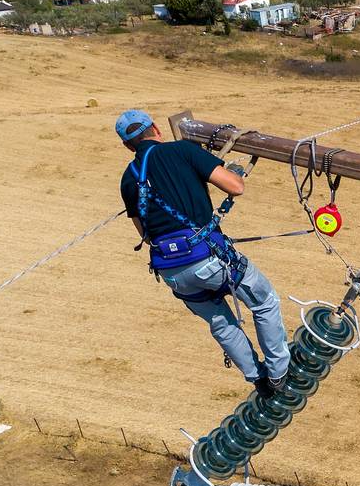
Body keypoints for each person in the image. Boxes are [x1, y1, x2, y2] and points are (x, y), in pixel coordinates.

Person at [116, 110, 292, 399]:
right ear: (156, 129)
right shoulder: (183, 150)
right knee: (264, 301)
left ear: (128, 146)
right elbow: (236, 187)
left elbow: (145, 236)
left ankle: (258, 380)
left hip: (173, 272)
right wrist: (232, 172)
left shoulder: (128, 178)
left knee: (221, 322)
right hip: (209, 258)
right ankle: (279, 373)